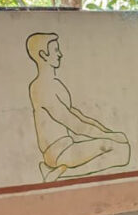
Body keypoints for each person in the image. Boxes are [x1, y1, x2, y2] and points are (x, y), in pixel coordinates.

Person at [26, 33, 131, 183]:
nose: (60, 54)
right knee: (121, 149)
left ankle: (58, 172)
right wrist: (110, 136)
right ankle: (60, 173)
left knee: (121, 146)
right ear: (43, 55)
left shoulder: (54, 84)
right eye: (55, 50)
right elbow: (73, 123)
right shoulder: (42, 86)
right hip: (58, 152)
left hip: (65, 147)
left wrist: (108, 132)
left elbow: (78, 116)